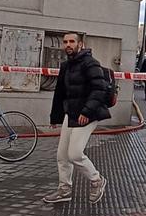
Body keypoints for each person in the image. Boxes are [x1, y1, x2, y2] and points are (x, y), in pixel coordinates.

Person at [45, 32, 111, 204]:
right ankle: (64, 189)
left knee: (74, 154)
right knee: (62, 155)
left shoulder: (90, 63)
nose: (68, 44)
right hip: (71, 113)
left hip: (88, 114)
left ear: (80, 44)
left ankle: (97, 180)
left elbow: (100, 89)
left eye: (72, 41)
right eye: (65, 42)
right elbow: (60, 93)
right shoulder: (66, 66)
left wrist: (87, 112)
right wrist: (55, 117)